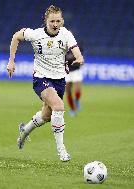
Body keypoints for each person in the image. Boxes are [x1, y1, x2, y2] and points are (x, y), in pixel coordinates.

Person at [7, 5, 84, 162]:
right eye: (52, 21)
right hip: (41, 78)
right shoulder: (35, 34)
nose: (55, 24)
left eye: (58, 21)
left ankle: (24, 131)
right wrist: (11, 61)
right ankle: (61, 150)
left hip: (59, 80)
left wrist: (71, 64)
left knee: (47, 115)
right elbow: (16, 36)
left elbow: (80, 58)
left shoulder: (66, 34)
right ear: (45, 21)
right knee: (59, 107)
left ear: (62, 20)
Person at [65, 42, 84, 117]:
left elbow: (80, 58)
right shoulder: (62, 48)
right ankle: (72, 109)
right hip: (67, 72)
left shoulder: (77, 47)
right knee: (68, 91)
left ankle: (77, 100)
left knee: (77, 90)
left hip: (76, 71)